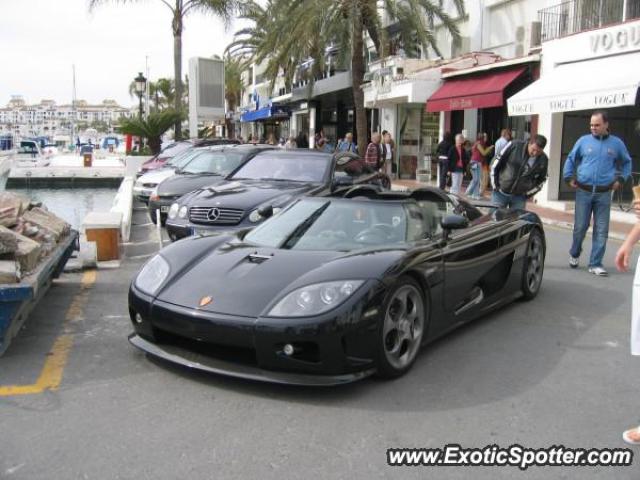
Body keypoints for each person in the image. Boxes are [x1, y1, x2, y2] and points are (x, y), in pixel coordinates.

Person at [564, 110, 632, 276]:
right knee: (580, 227)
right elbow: (571, 159)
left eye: (597, 125)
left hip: (604, 193)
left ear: (606, 124)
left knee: (601, 230)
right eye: (591, 125)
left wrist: (621, 179)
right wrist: (568, 177)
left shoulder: (617, 144)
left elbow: (627, 163)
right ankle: (574, 253)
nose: (593, 128)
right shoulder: (583, 141)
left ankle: (595, 263)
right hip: (583, 191)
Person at [490, 134, 548, 210]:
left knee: (517, 217)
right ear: (529, 143)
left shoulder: (543, 159)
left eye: (538, 151)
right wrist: (495, 186)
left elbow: (542, 179)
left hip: (519, 197)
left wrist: (527, 194)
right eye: (533, 149)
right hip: (500, 192)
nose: (535, 153)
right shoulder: (514, 145)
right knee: (494, 216)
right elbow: (496, 163)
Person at [466, 133, 494, 200]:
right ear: (482, 137)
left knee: (477, 179)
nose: (486, 138)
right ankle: (469, 192)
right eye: (485, 137)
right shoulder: (478, 144)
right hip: (474, 162)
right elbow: (483, 153)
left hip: (478, 162)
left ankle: (475, 194)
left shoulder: (481, 144)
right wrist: (489, 148)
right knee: (476, 179)